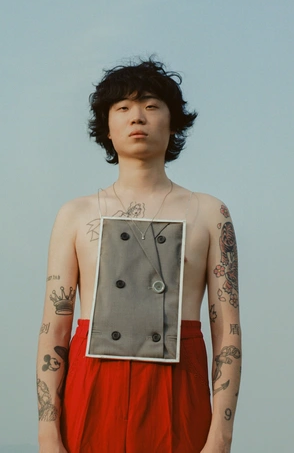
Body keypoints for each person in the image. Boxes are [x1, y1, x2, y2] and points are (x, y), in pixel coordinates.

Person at [37, 58, 241, 453]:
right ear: (107, 127)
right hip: (92, 388)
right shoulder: (76, 214)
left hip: (179, 390)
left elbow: (227, 331)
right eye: (123, 108)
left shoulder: (209, 212)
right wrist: (48, 436)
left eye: (150, 106)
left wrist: (220, 437)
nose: (137, 118)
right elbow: (54, 330)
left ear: (172, 121)